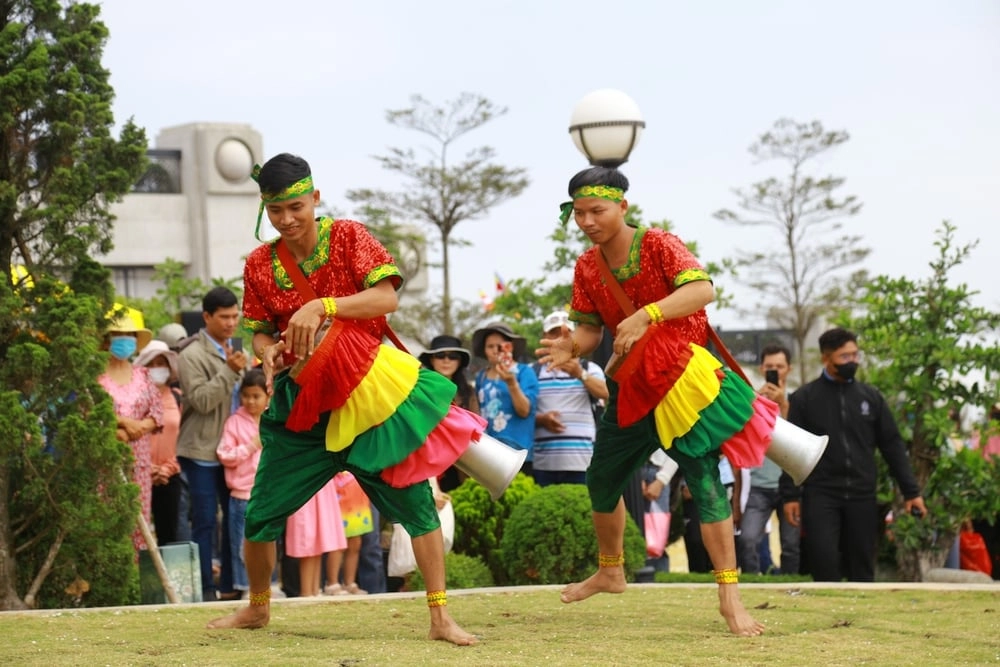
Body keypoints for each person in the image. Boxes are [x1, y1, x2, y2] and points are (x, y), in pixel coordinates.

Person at [206, 152, 483, 645]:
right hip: (301, 410)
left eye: (295, 206)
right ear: (264, 210)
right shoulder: (259, 264)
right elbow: (260, 335)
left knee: (417, 507)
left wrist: (324, 305)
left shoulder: (350, 237)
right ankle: (257, 608)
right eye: (275, 211)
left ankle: (441, 618)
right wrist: (270, 355)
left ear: (314, 197)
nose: (287, 219)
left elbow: (386, 298)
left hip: (370, 402)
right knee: (262, 513)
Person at [536, 166, 777, 636]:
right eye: (579, 213)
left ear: (622, 207)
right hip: (630, 390)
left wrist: (649, 313)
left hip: (683, 386)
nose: (587, 221)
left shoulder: (660, 244)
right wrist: (573, 347)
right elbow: (589, 328)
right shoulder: (587, 266)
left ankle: (730, 600)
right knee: (601, 481)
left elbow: (702, 289)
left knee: (705, 486)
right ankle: (611, 570)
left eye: (597, 210)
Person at [780, 327, 927, 582]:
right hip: (821, 494)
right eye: (844, 357)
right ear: (826, 358)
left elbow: (892, 446)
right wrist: (790, 496)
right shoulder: (805, 398)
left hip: (862, 494)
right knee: (823, 561)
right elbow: (790, 451)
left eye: (855, 355)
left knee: (862, 565)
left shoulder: (871, 398)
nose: (852, 362)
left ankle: (863, 615)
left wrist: (911, 492)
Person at [176, 286, 248, 601]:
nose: (231, 322)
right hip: (202, 452)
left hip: (233, 453)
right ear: (207, 317)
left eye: (235, 316)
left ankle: (231, 586)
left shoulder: (235, 349)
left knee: (234, 520)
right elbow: (202, 401)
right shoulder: (190, 354)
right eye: (224, 317)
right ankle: (205, 589)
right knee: (205, 521)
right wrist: (230, 371)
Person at [97, 316, 163, 556]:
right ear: (106, 340)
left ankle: (136, 583)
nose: (125, 340)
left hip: (139, 462)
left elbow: (157, 412)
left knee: (139, 524)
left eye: (130, 335)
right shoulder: (96, 377)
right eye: (118, 335)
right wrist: (122, 423)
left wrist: (139, 427)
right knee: (105, 520)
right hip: (105, 462)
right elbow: (88, 412)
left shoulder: (143, 375)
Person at [736, 344, 800, 575]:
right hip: (759, 485)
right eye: (770, 366)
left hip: (789, 486)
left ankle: (792, 587)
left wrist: (783, 404)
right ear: (762, 368)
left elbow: (798, 440)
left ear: (789, 369)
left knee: (791, 546)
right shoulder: (752, 401)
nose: (775, 371)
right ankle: (753, 585)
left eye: (779, 367)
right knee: (748, 540)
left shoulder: (798, 400)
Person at [532, 310, 608, 486]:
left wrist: (580, 373)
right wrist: (541, 419)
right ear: (544, 336)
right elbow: (523, 412)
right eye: (554, 332)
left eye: (566, 333)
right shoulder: (533, 371)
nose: (559, 338)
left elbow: (607, 393)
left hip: (583, 462)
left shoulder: (590, 368)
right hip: (544, 463)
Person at [216, 368, 268, 598]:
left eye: (256, 396)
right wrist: (250, 446)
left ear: (267, 395)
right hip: (241, 496)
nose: (250, 401)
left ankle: (268, 584)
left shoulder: (272, 419)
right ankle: (247, 587)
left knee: (267, 542)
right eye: (246, 396)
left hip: (267, 493)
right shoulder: (234, 422)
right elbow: (224, 454)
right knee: (242, 546)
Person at [472, 321, 539, 472]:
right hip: (488, 453)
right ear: (484, 350)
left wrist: (511, 383)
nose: (496, 350)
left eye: (501, 345)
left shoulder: (524, 372)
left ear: (511, 347)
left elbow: (524, 411)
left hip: (518, 453)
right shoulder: (481, 377)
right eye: (490, 346)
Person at [134, 340, 183, 546]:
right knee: (136, 533)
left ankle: (165, 578)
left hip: (169, 475)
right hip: (138, 473)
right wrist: (145, 468)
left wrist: (168, 468)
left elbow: (185, 438)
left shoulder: (178, 398)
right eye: (151, 364)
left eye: (161, 363)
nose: (157, 369)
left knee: (169, 534)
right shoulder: (134, 399)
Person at [419, 335, 479, 491]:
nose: (446, 360)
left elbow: (478, 430)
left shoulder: (468, 392)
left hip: (463, 464)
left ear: (459, 362)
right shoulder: (419, 390)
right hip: (428, 464)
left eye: (453, 356)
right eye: (440, 355)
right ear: (431, 359)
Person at [325, 471, 374, 595]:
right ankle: (332, 584)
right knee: (338, 543)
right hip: (337, 490)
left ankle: (349, 583)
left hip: (357, 494)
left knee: (355, 543)